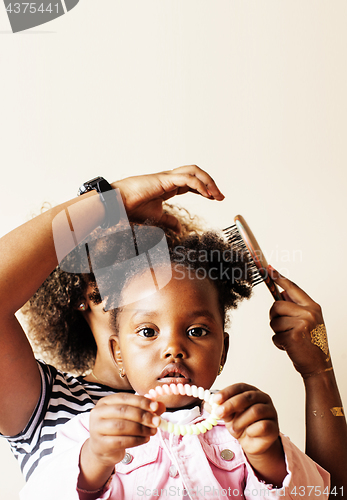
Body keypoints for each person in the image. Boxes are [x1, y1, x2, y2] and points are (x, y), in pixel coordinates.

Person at [0, 166, 345, 495]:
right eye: (120, 269)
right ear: (81, 291)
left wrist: (319, 373)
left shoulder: (223, 421)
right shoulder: (48, 406)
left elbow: (324, 493)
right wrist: (109, 201)